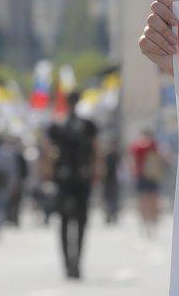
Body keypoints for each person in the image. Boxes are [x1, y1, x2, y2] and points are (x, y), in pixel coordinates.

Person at [44, 91, 99, 279]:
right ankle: (73, 263)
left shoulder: (60, 125)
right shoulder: (84, 125)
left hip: (66, 179)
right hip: (76, 179)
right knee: (77, 223)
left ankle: (71, 263)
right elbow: (95, 152)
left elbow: (48, 153)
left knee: (68, 223)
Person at [128, 129, 163, 236]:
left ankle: (146, 224)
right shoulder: (154, 145)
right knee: (152, 200)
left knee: (144, 201)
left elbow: (132, 161)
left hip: (143, 176)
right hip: (151, 176)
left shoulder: (137, 146)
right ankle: (151, 223)